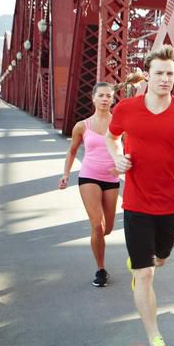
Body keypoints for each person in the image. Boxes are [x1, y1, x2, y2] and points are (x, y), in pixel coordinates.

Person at [105, 46, 174, 346]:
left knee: (160, 260)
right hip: (136, 203)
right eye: (159, 73)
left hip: (169, 203)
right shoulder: (126, 108)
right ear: (147, 76)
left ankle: (147, 262)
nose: (165, 79)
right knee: (146, 273)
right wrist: (117, 158)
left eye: (170, 74)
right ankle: (155, 341)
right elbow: (112, 137)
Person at [59, 83, 120, 288]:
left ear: (113, 99)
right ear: (93, 98)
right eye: (101, 95)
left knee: (108, 228)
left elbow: (130, 150)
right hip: (89, 176)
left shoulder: (120, 125)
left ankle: (96, 240)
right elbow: (72, 151)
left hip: (112, 179)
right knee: (97, 224)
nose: (105, 99)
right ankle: (101, 269)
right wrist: (66, 174)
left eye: (109, 96)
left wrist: (122, 167)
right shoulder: (82, 126)